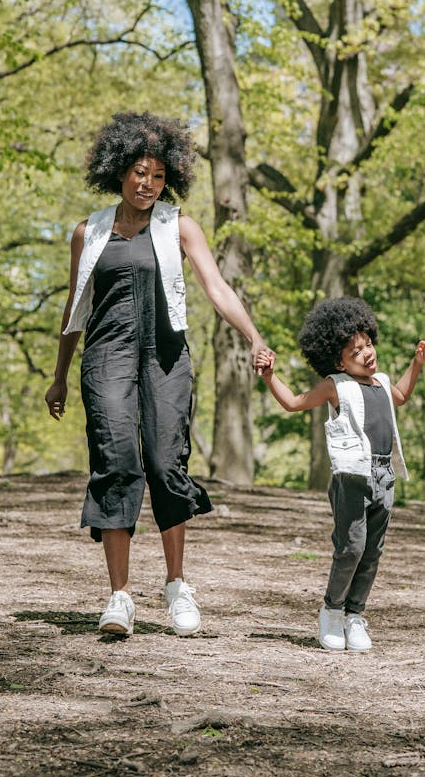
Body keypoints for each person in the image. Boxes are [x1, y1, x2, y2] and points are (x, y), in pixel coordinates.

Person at [45, 111, 273, 639]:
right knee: (117, 459)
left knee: (168, 462)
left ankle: (177, 588)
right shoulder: (89, 231)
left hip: (166, 358)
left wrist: (254, 337)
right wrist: (59, 374)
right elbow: (75, 307)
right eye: (139, 173)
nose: (148, 185)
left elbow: (216, 287)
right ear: (119, 171)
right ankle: (119, 597)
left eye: (158, 176)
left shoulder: (179, 226)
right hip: (106, 357)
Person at [256, 296, 425, 653]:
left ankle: (355, 614)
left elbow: (400, 395)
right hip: (352, 478)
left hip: (385, 476)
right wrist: (270, 375)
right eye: (356, 351)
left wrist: (417, 364)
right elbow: (293, 402)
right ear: (337, 359)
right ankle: (332, 611)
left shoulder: (382, 381)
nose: (367, 353)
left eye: (368, 344)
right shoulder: (335, 385)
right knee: (350, 547)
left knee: (372, 550)